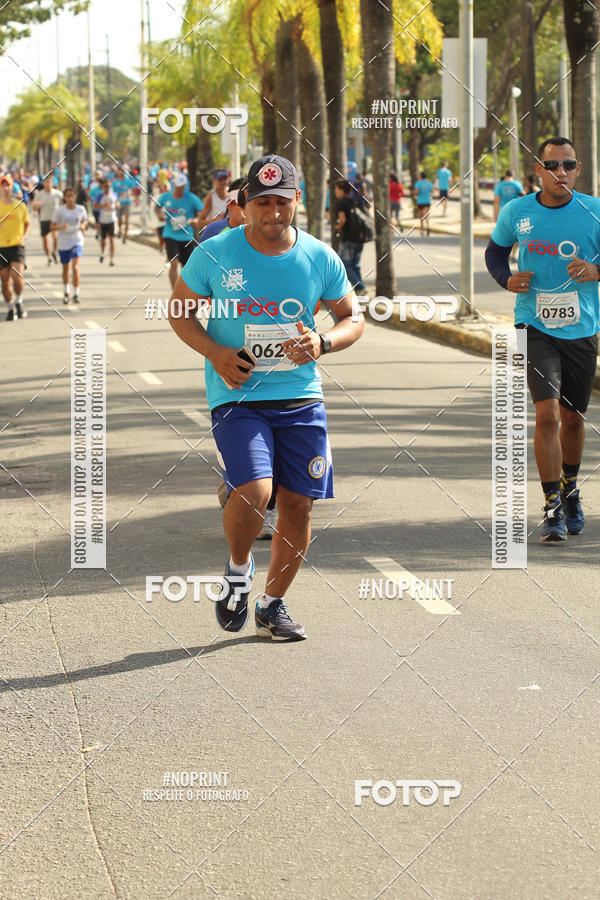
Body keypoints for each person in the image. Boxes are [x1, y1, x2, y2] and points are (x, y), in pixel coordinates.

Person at [167, 154, 364, 641]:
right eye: (263, 202)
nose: (273, 211)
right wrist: (215, 352)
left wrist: (323, 342)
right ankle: (238, 572)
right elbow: (179, 312)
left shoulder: (320, 257)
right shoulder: (217, 253)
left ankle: (272, 605)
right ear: (245, 204)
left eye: (282, 201)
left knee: (298, 506)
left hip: (300, 397)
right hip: (237, 395)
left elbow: (353, 317)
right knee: (255, 492)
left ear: (297, 201)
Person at [485, 136, 600, 541]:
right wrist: (506, 279)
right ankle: (551, 506)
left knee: (573, 419)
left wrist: (595, 271)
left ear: (577, 169)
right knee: (547, 414)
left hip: (582, 328)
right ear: (539, 170)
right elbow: (496, 253)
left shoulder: (594, 211)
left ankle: (570, 490)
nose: (561, 173)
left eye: (568, 165)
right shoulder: (518, 211)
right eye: (552, 165)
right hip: (533, 324)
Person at [156, 172, 203, 287]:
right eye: (178, 187)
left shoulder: (192, 198)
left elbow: (201, 212)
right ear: (173, 185)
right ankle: (175, 291)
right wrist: (159, 215)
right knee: (174, 263)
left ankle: (184, 290)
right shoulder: (165, 197)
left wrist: (196, 220)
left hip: (187, 235)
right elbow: (156, 207)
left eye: (182, 187)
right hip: (170, 235)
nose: (180, 190)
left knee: (186, 267)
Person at [51, 186, 88, 304]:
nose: (70, 198)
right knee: (65, 268)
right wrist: (61, 227)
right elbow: (52, 226)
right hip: (64, 242)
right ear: (65, 198)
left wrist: (83, 225)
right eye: (68, 196)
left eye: (72, 196)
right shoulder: (59, 210)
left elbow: (85, 220)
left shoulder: (81, 209)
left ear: (75, 196)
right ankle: (66, 291)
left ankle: (76, 293)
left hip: (77, 240)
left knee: (75, 266)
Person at [0, 172, 29, 321]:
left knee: (17, 277)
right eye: (3, 184)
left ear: (12, 187)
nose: (5, 187)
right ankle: (11, 308)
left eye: (8, 185)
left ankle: (19, 301)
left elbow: (27, 223)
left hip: (17, 246)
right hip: (1, 247)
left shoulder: (19, 205)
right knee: (5, 280)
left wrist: (24, 236)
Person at [334, 179, 367, 294]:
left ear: (342, 190)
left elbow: (342, 220)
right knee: (355, 264)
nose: (335, 191)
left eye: (337, 189)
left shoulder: (341, 203)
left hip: (348, 238)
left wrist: (337, 227)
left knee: (344, 264)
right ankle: (361, 288)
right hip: (360, 237)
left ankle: (360, 287)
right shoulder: (356, 201)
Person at [198, 178, 247, 243]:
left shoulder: (260, 232)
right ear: (230, 205)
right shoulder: (213, 231)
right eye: (242, 204)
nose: (247, 211)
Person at [33, 175, 60, 264]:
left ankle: (54, 252)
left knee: (55, 238)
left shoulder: (58, 193)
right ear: (44, 184)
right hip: (44, 219)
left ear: (52, 183)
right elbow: (34, 208)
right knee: (45, 241)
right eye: (46, 182)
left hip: (55, 220)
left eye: (49, 182)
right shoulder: (40, 194)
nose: (48, 184)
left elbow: (64, 203)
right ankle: (49, 256)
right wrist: (37, 205)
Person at [95, 179, 118, 266]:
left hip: (112, 219)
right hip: (103, 220)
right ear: (103, 187)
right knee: (103, 239)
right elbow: (95, 206)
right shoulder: (100, 195)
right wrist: (104, 205)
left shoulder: (114, 194)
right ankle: (103, 252)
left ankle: (112, 259)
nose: (107, 188)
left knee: (112, 239)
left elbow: (117, 203)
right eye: (106, 186)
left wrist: (116, 205)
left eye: (109, 186)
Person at [112, 167, 132, 243]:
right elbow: (112, 192)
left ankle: (125, 237)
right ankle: (120, 230)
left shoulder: (128, 181)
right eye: (120, 171)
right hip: (119, 202)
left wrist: (130, 193)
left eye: (123, 171)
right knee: (120, 220)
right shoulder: (115, 182)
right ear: (118, 172)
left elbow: (132, 189)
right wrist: (117, 194)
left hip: (127, 202)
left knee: (127, 220)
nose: (122, 172)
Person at [412, 171, 434, 236]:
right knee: (426, 215)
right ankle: (428, 227)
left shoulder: (418, 183)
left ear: (420, 176)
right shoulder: (429, 183)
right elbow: (432, 191)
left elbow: (417, 191)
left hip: (420, 201)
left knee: (421, 217)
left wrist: (413, 192)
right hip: (427, 201)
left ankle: (422, 231)